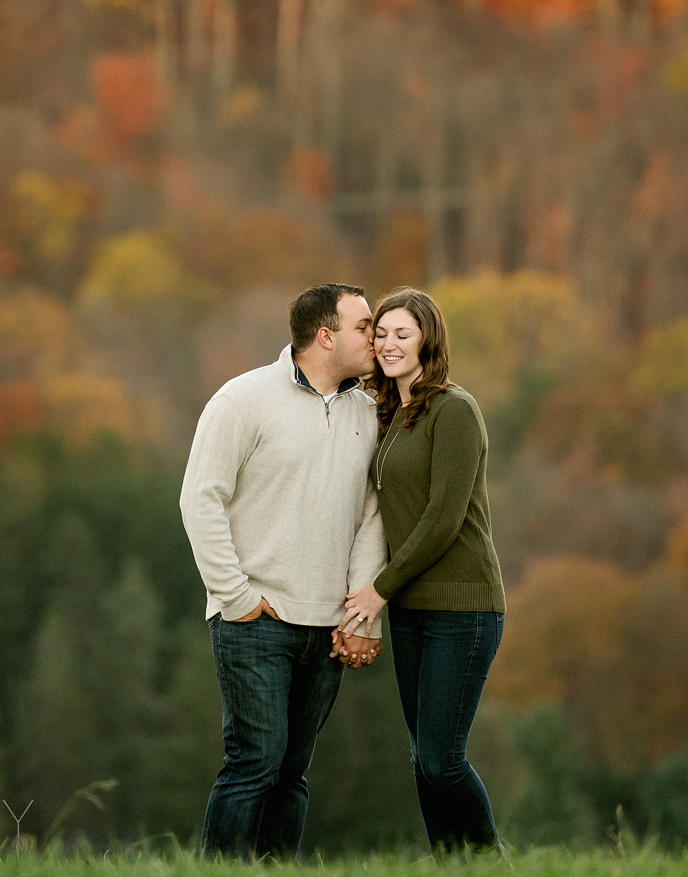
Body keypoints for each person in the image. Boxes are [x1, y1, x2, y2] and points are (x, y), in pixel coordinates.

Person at [179, 283, 390, 860]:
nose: (375, 336)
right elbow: (200, 499)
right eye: (364, 326)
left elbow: (372, 517)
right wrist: (236, 596)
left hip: (327, 628)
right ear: (326, 335)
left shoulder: (368, 413)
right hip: (256, 620)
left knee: (293, 774)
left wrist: (360, 613)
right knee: (255, 762)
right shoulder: (242, 400)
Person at [338, 286, 509, 855]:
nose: (388, 344)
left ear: (428, 340)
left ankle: (493, 864)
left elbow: (442, 518)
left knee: (442, 758)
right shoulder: (392, 414)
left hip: (463, 609)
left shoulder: (454, 410)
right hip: (413, 609)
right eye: (379, 334)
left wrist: (377, 591)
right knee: (422, 761)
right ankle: (451, 865)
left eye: (401, 334)